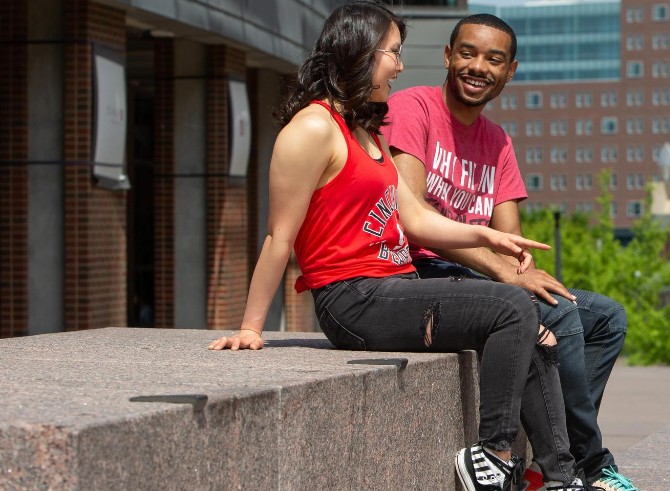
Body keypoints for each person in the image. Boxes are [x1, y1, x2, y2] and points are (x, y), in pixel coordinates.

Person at [205, 3, 588, 490]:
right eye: (393, 52)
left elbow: (416, 219)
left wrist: (487, 235)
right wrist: (250, 327)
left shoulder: (365, 130)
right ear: (361, 53)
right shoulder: (313, 128)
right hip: (352, 297)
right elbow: (280, 236)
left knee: (530, 322)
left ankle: (561, 478)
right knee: (513, 305)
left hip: (393, 286)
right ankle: (494, 454)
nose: (400, 66)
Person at [383, 13, 634, 491]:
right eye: (468, 53)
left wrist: (526, 273)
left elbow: (513, 245)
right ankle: (585, 464)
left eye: (493, 59)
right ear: (447, 57)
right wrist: (513, 277)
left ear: (510, 71)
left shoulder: (498, 142)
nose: (478, 67)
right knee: (558, 318)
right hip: (420, 272)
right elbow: (414, 223)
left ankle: (550, 456)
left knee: (605, 317)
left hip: (480, 274)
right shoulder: (411, 107)